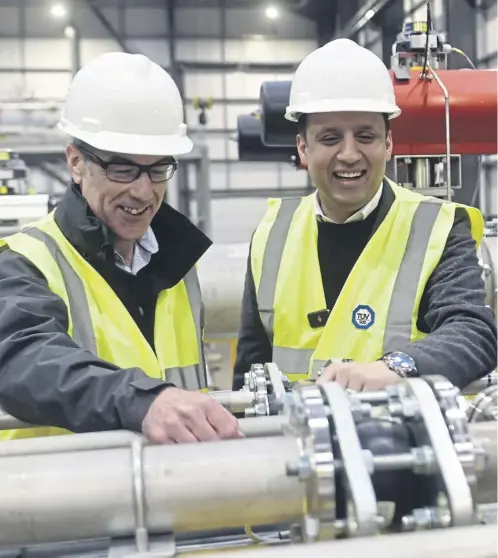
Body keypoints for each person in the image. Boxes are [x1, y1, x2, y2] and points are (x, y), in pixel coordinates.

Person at [0, 52, 241, 444]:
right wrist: (142, 402)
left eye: (157, 168)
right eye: (123, 169)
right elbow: (23, 357)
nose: (143, 191)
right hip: (62, 500)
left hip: (173, 494)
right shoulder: (25, 264)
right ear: (76, 163)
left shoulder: (177, 265)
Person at [233, 38, 497, 392]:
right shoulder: (272, 234)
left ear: (388, 144)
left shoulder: (437, 229)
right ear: (302, 148)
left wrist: (397, 368)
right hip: (299, 439)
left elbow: (473, 332)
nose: (349, 154)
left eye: (365, 136)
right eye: (329, 138)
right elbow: (251, 368)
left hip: (408, 441)